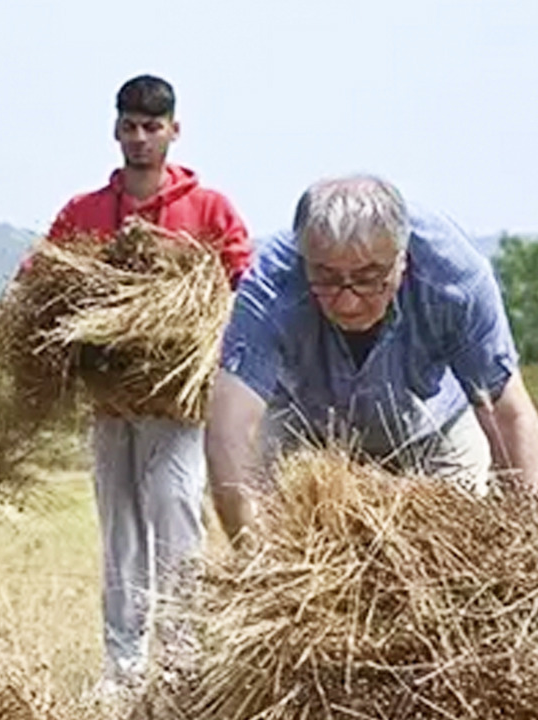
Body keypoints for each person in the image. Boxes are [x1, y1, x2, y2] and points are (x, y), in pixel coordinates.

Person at [43, 74, 252, 690]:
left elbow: (243, 275)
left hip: (177, 403)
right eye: (130, 126)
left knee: (177, 512)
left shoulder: (209, 208)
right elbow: (45, 273)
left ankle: (183, 662)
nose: (140, 138)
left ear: (174, 131)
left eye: (152, 127)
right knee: (121, 529)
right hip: (110, 404)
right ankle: (124, 668)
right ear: (116, 129)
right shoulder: (84, 213)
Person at [208, 174, 538, 545]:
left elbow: (509, 413)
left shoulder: (455, 279)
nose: (347, 302)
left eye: (368, 278)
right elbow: (229, 429)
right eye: (326, 278)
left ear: (402, 259)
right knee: (294, 554)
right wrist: (250, 549)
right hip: (308, 428)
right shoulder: (270, 284)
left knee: (453, 560)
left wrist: (525, 540)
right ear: (305, 258)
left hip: (435, 428)